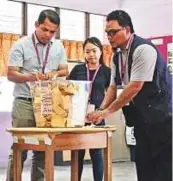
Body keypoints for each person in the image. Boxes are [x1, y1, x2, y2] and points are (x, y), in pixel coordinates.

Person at [87, 10, 172, 181]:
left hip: (163, 117)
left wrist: (107, 112)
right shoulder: (116, 57)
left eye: (113, 32)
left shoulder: (143, 50)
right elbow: (112, 87)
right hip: (141, 118)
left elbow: (134, 87)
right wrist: (100, 110)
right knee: (143, 166)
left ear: (127, 30)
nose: (109, 37)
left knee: (163, 169)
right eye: (107, 33)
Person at [7, 9, 68, 181]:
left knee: (42, 150)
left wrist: (53, 74)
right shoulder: (21, 44)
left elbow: (65, 70)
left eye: (52, 31)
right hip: (25, 102)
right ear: (36, 25)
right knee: (20, 149)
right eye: (44, 29)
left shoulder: (58, 46)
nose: (48, 35)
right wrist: (30, 76)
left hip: (46, 103)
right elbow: (11, 74)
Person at [68, 37, 111, 181]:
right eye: (87, 51)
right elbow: (68, 88)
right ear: (84, 53)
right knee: (77, 153)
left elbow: (111, 93)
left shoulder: (107, 71)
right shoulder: (78, 69)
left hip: (97, 115)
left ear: (101, 51)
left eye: (94, 50)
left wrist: (103, 110)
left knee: (96, 152)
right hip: (78, 116)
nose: (91, 54)